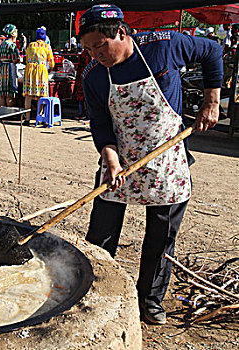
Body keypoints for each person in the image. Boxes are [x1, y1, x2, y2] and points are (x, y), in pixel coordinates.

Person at [79, 4, 222, 325]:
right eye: (88, 49)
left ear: (121, 32)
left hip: (166, 160)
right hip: (121, 158)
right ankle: (92, 289)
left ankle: (150, 299)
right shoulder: (94, 75)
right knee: (101, 233)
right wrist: (111, 159)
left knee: (161, 236)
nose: (95, 55)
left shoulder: (164, 46)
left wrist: (212, 102)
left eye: (100, 46)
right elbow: (101, 124)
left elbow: (213, 51)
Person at [22, 27, 54, 125]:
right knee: (41, 94)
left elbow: (26, 58)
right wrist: (50, 69)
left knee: (28, 95)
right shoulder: (47, 46)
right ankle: (38, 118)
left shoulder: (30, 45)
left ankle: (27, 119)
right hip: (41, 71)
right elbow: (51, 62)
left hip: (30, 71)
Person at [0, 24, 21, 107]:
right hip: (9, 70)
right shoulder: (12, 46)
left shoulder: (2, 45)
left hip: (1, 69)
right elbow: (15, 60)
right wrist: (20, 60)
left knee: (2, 93)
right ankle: (9, 113)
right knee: (9, 93)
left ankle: (2, 113)